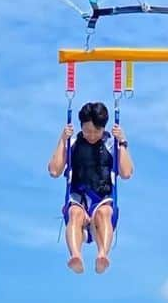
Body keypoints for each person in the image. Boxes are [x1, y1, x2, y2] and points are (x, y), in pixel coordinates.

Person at [48, 100, 133, 275]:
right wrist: (62, 140)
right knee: (74, 213)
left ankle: (102, 254)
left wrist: (122, 142)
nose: (92, 135)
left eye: (96, 131)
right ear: (81, 127)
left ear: (104, 128)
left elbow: (126, 173)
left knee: (105, 213)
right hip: (78, 198)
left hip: (102, 199)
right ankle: (75, 255)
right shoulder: (73, 142)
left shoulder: (111, 144)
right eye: (87, 131)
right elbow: (54, 171)